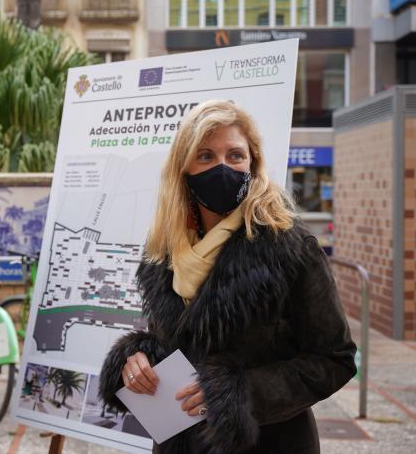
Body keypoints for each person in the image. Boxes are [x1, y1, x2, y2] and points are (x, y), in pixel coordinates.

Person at [98, 100, 356, 453]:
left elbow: (334, 359)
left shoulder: (291, 247)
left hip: (269, 444)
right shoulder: (164, 252)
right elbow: (178, 342)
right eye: (205, 156)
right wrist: (136, 359)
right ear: (183, 169)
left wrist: (238, 393)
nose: (223, 168)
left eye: (235, 155)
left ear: (253, 163)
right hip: (180, 443)